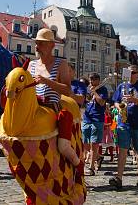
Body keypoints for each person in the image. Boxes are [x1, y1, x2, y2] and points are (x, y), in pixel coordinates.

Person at [27, 28, 80, 171]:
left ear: (52, 45)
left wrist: (47, 82)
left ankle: (77, 165)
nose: (37, 47)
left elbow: (67, 90)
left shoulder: (61, 64)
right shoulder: (31, 65)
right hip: (32, 108)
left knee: (63, 146)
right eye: (37, 43)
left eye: (42, 43)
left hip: (52, 108)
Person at [109, 65, 138, 189]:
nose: (130, 74)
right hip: (124, 122)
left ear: (137, 74)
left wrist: (135, 100)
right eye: (129, 72)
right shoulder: (121, 86)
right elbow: (116, 101)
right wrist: (119, 107)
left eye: (133, 72)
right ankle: (119, 178)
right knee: (122, 149)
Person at [82, 73, 109, 176]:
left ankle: (91, 167)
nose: (91, 82)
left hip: (97, 118)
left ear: (98, 80)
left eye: (93, 79)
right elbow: (85, 101)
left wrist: (95, 92)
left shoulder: (103, 90)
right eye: (90, 79)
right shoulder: (88, 89)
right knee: (85, 143)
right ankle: (98, 157)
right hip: (87, 117)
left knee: (94, 144)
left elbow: (102, 102)